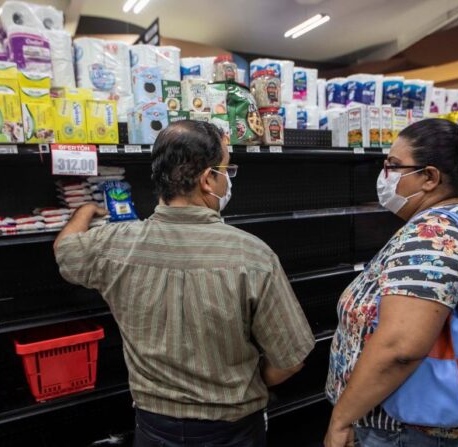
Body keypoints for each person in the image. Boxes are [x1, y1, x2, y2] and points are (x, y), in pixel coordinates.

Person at [54, 120, 315, 447]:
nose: (227, 179)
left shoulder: (113, 246)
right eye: (226, 169)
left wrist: (84, 210)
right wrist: (243, 385)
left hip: (152, 430)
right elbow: (291, 360)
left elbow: (65, 251)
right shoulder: (252, 255)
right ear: (208, 179)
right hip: (232, 431)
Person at [324, 116, 458, 447]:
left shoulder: (435, 235)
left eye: (393, 166)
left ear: (429, 177)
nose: (384, 176)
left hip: (400, 427)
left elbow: (400, 348)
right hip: (435, 417)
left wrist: (341, 419)